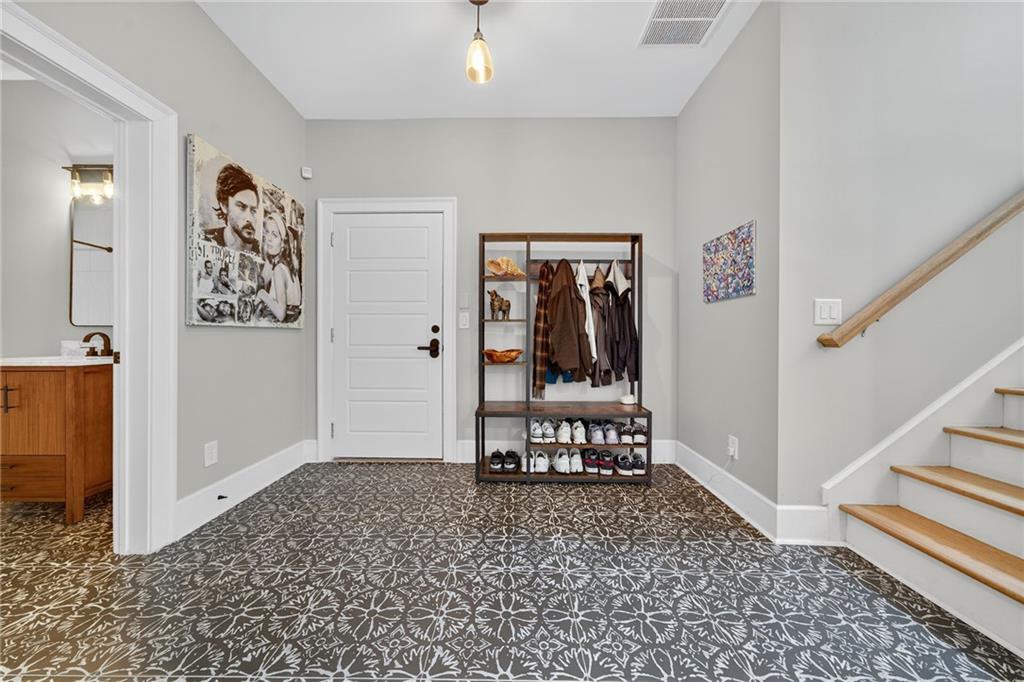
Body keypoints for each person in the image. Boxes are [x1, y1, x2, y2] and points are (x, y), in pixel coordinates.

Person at [203, 163, 259, 253]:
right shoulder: (204, 239)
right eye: (241, 207)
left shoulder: (263, 252)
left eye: (253, 210)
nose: (250, 218)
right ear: (224, 206)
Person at [256, 212, 301, 322]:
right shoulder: (288, 267)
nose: (269, 239)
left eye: (275, 235)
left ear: (283, 242)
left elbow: (281, 315)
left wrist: (262, 294)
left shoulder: (279, 270)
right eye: (267, 232)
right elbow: (263, 280)